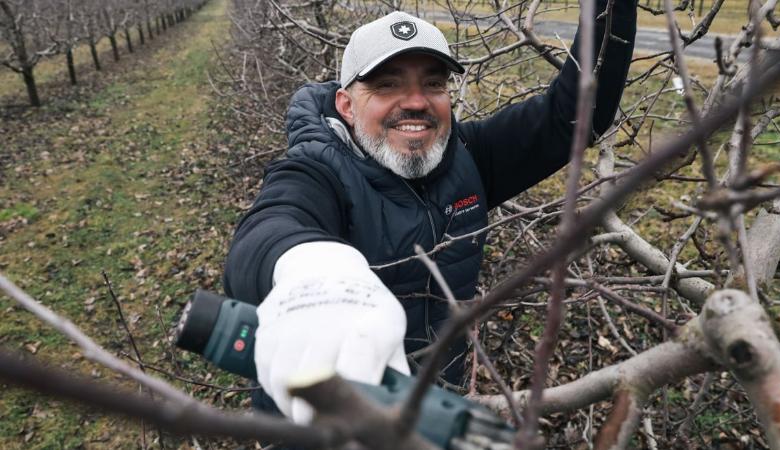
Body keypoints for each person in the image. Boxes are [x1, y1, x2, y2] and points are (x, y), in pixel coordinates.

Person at [223, 1, 637, 425]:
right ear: (346, 105)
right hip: (325, 424)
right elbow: (268, 229)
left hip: (434, 410)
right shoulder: (318, 172)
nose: (416, 102)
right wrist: (312, 272)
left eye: (434, 84)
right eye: (387, 85)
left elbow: (575, 113)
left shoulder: (467, 160)